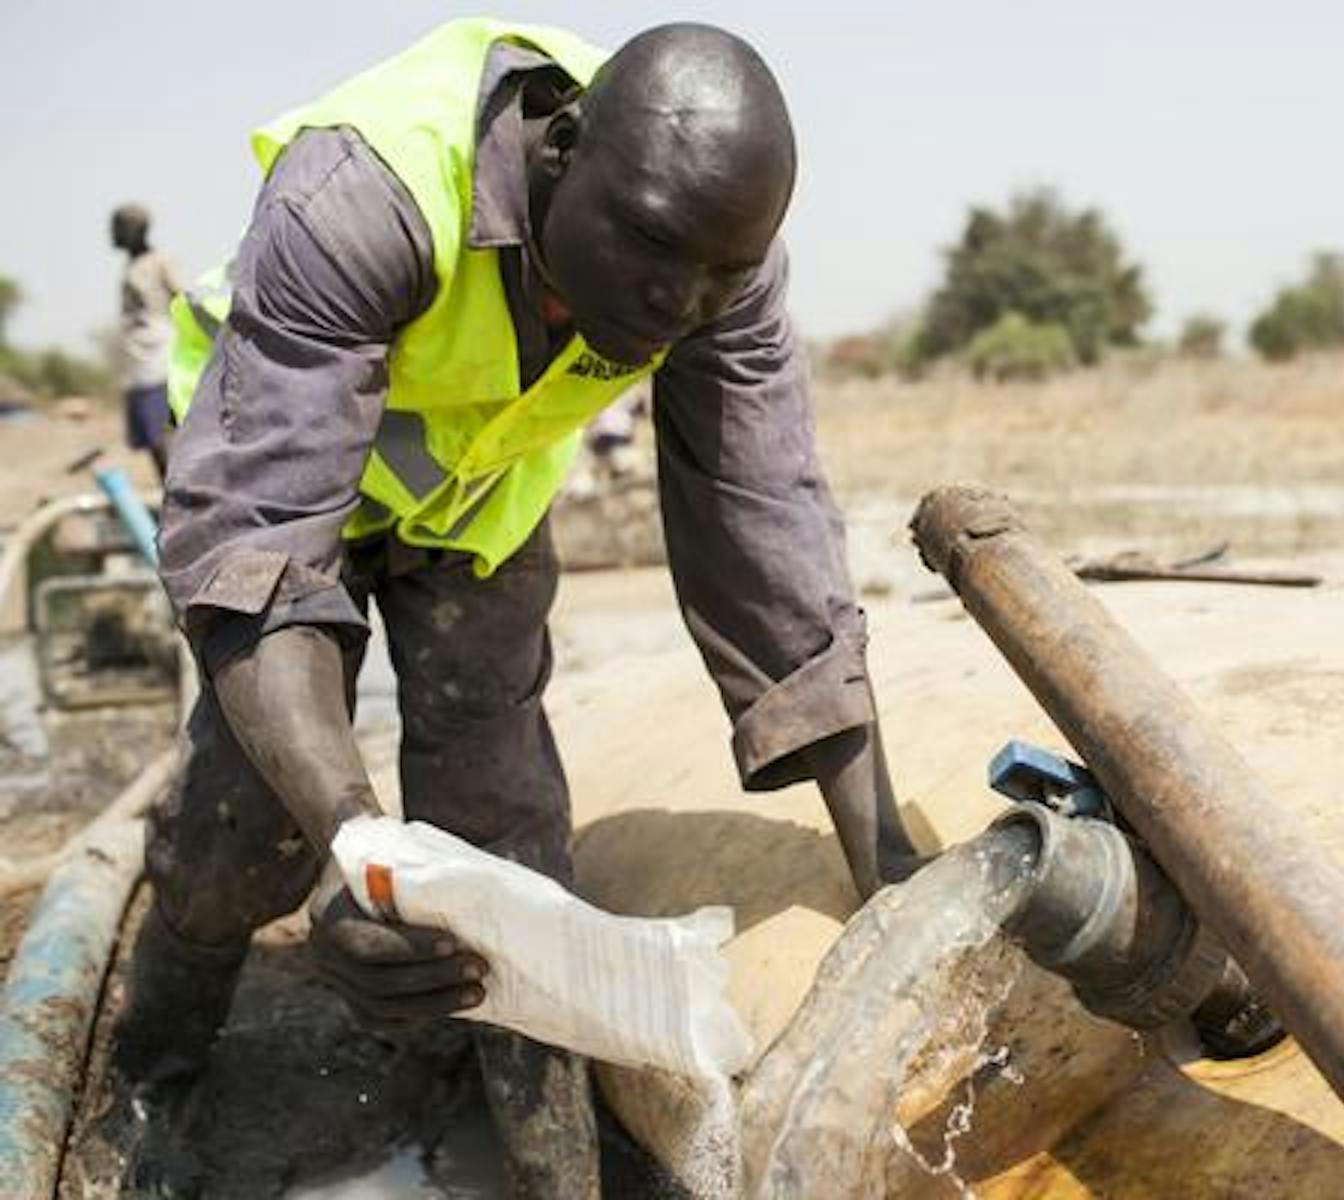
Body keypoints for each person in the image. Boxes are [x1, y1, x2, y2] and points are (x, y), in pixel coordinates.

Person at [100, 19, 922, 1196]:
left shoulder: (713, 261)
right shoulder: (363, 192)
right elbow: (261, 556)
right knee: (242, 822)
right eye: (646, 244)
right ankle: (152, 1085)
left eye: (717, 275)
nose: (674, 299)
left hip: (472, 511)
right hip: (276, 477)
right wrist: (357, 845)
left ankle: (550, 1164)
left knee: (509, 842)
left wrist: (884, 857)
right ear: (564, 147)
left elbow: (767, 533)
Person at [109, 204, 179, 476]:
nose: (111, 234)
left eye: (116, 226)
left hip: (157, 356)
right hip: (137, 360)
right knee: (151, 440)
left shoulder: (159, 262)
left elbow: (181, 298)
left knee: (163, 434)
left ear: (133, 229)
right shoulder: (132, 264)